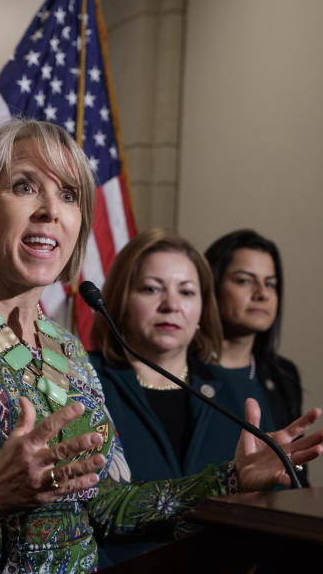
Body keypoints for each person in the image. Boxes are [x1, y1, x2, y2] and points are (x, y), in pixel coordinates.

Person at [0, 120, 323, 572]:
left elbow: (108, 506)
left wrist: (230, 479)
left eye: (69, 195)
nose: (50, 210)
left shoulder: (66, 349)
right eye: (25, 187)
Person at [89, 228, 289, 565]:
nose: (171, 305)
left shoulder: (240, 393)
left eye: (186, 292)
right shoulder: (85, 381)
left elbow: (277, 506)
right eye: (152, 289)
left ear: (201, 310)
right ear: (121, 300)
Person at [204, 228, 307, 483]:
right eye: (244, 281)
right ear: (211, 286)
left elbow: (298, 473)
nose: (262, 293)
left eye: (270, 283)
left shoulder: (282, 374)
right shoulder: (179, 370)